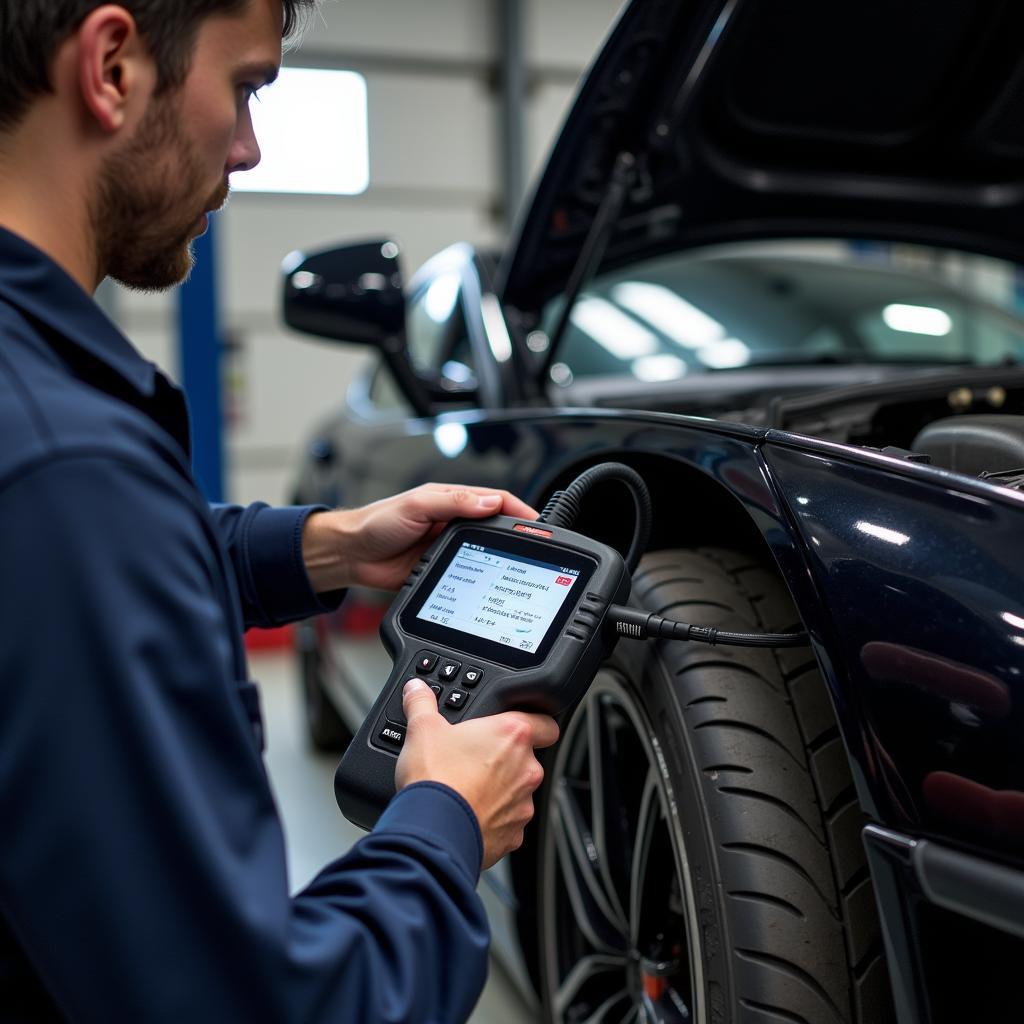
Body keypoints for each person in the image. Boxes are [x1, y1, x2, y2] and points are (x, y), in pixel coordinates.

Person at [0, 1, 558, 1020]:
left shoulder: (44, 449)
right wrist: (444, 820)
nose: (250, 150)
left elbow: (63, 582)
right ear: (113, 64)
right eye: (248, 86)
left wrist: (326, 545)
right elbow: (254, 1004)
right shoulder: (67, 464)